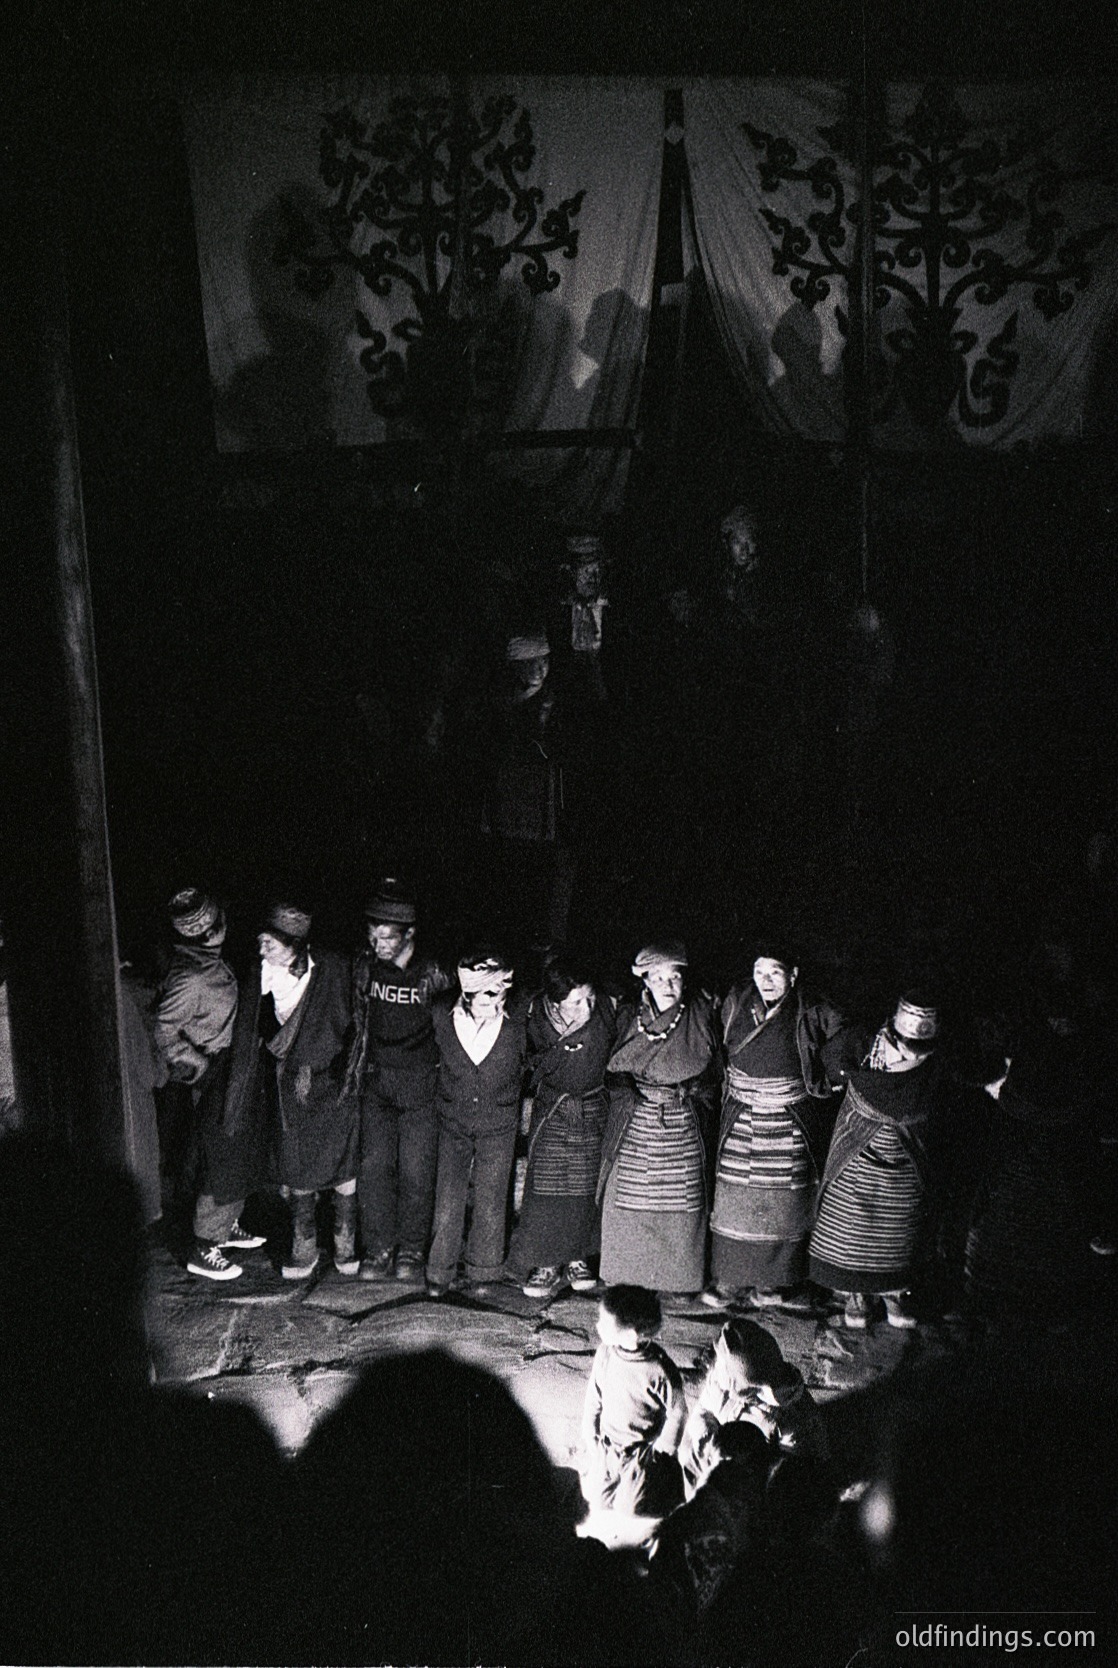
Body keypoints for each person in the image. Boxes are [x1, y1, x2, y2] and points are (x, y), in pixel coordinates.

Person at [202, 902, 357, 1282]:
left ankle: (345, 1244)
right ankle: (304, 1247)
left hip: (335, 1082)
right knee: (297, 1162)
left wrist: (346, 1066)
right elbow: (251, 1026)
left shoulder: (333, 968)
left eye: (269, 943)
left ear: (295, 944)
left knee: (343, 1164)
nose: (262, 950)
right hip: (292, 1081)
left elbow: (354, 1019)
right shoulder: (262, 973)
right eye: (260, 942)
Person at [705, 946, 848, 1309]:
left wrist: (829, 1078)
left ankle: (774, 1283)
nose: (766, 981)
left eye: (775, 973)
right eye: (759, 971)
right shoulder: (736, 1001)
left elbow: (844, 1042)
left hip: (788, 1117)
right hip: (740, 1114)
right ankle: (731, 1279)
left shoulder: (813, 1008)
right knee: (735, 1199)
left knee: (784, 1204)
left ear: (794, 975)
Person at [808, 994, 947, 1328]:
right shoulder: (864, 1043)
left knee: (900, 1225)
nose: (913, 1053)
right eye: (906, 1043)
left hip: (907, 1152)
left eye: (921, 1047)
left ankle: (895, 1293)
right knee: (851, 1220)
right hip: (859, 1143)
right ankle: (856, 1295)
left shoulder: (941, 1058)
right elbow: (832, 1061)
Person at [344, 879, 452, 1283]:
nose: (378, 943)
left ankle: (411, 1247)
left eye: (387, 936)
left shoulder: (434, 972)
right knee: (374, 1167)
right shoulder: (365, 966)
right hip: (377, 1081)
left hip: (421, 1084)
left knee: (416, 1171)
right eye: (372, 935)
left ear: (410, 933)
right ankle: (378, 1248)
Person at [598, 941, 720, 1296]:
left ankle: (678, 1279)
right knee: (629, 1201)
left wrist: (696, 1092)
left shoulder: (699, 1012)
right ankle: (626, 1274)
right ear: (645, 980)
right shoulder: (628, 1016)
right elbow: (612, 1067)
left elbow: (715, 1068)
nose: (668, 986)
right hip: (637, 1119)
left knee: (682, 1206)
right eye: (659, 977)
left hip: (682, 1118)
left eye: (675, 978)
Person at [508, 951, 617, 1300]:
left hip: (592, 1107)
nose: (585, 1009)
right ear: (555, 1005)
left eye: (589, 998)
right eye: (574, 1003)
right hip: (553, 1109)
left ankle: (577, 1257)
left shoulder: (608, 1010)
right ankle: (545, 1263)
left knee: (586, 1186)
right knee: (548, 1188)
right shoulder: (532, 1013)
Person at [426, 948, 527, 1297]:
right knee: (448, 1196)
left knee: (492, 1195)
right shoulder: (442, 1013)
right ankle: (439, 1274)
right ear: (465, 994)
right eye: (483, 995)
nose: (492, 1002)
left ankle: (484, 1272)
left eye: (498, 994)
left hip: (498, 1121)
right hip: (453, 1120)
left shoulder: (518, 1019)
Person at [154, 887, 242, 1233]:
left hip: (224, 1063)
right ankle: (208, 1238)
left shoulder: (209, 960)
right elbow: (163, 1028)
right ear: (215, 928)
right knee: (218, 1153)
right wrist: (196, 1062)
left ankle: (224, 1223)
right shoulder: (192, 975)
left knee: (224, 1149)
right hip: (211, 1067)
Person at [678, 1319, 829, 1502]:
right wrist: (706, 1435)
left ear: (747, 1387)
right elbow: (704, 1409)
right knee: (689, 1455)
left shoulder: (791, 1420)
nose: (717, 1369)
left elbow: (797, 1470)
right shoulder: (721, 1380)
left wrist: (747, 1469)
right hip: (727, 1453)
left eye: (724, 1369)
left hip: (758, 1471)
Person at [579, 1284, 685, 1530]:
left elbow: (678, 1411)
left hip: (642, 1454)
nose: (597, 1327)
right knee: (596, 1500)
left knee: (633, 1511)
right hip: (607, 1445)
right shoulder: (605, 1354)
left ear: (630, 1335)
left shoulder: (659, 1368)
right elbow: (594, 1397)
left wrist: (662, 1450)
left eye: (604, 1323)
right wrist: (590, 1434)